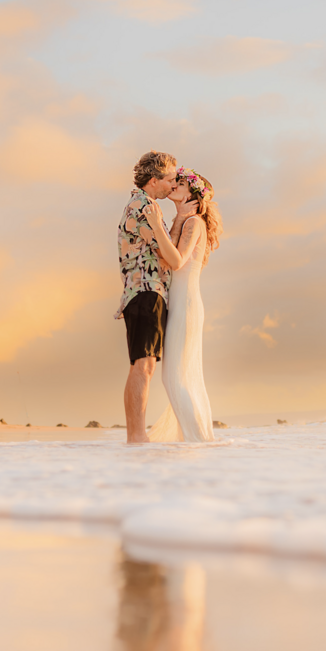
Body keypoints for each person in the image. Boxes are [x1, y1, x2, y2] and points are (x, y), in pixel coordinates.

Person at [148, 167, 223, 442]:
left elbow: (173, 258)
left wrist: (178, 220)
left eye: (180, 183)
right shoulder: (186, 220)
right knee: (182, 376)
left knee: (174, 377)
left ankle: (198, 439)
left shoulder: (194, 223)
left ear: (192, 194)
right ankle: (197, 438)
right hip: (182, 302)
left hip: (186, 303)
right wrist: (178, 218)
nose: (174, 186)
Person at [116, 151, 182, 444]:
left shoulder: (146, 205)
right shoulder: (144, 208)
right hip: (146, 291)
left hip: (145, 291)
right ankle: (137, 436)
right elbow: (173, 259)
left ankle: (136, 435)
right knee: (143, 365)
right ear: (154, 180)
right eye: (170, 179)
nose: (173, 184)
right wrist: (159, 227)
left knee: (144, 364)